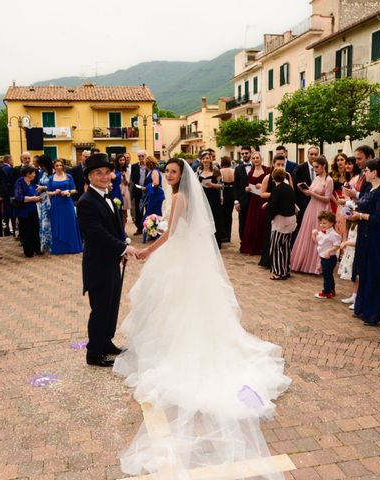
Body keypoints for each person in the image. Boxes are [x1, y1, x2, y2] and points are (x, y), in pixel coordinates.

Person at [113, 157, 290, 477]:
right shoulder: (181, 196)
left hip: (176, 257)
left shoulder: (180, 197)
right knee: (174, 307)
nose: (168, 176)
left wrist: (146, 249)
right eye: (166, 171)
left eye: (173, 172)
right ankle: (174, 345)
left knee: (176, 306)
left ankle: (176, 350)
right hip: (183, 257)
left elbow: (170, 235)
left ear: (183, 176)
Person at [77, 153, 138, 367]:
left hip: (112, 260)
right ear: (89, 177)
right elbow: (97, 233)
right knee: (100, 308)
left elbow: (115, 227)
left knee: (111, 305)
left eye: (106, 172)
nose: (104, 176)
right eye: (98, 173)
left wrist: (122, 246)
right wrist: (123, 247)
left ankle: (106, 342)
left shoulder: (109, 195)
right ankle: (94, 353)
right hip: (98, 264)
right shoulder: (86, 202)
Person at [350, 158, 380, 326]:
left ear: (375, 173)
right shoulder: (371, 189)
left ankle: (374, 314)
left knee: (375, 274)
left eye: (366, 170)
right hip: (365, 236)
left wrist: (360, 216)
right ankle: (363, 307)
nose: (364, 173)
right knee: (364, 272)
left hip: (376, 239)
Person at [290, 154, 333, 274]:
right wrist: (303, 190)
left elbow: (327, 199)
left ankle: (316, 265)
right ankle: (303, 262)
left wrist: (311, 194)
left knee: (318, 236)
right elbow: (310, 192)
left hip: (321, 209)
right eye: (314, 167)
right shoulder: (316, 178)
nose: (315, 169)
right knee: (307, 234)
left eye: (317, 167)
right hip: (311, 208)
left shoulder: (328, 180)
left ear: (324, 166)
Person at [259, 155, 292, 267]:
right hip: (273, 209)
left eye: (283, 165)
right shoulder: (268, 177)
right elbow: (262, 193)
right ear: (273, 164)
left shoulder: (288, 176)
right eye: (278, 164)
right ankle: (269, 260)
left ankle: (283, 262)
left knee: (284, 237)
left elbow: (291, 191)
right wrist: (276, 194)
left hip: (284, 210)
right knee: (270, 235)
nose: (281, 167)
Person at [267, 167, 296, 280]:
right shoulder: (289, 188)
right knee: (286, 247)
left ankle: (278, 272)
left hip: (281, 221)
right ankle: (286, 269)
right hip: (291, 219)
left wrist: (269, 216)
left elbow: (273, 206)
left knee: (275, 247)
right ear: (284, 176)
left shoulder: (277, 189)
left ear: (273, 177)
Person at [48, 159, 81, 255]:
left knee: (70, 223)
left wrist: (68, 192)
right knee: (58, 223)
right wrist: (54, 192)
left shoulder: (68, 176)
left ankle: (72, 247)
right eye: (57, 165)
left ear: (63, 166)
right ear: (54, 167)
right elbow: (48, 192)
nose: (58, 167)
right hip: (56, 203)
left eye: (60, 165)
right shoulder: (51, 178)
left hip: (67, 203)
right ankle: (59, 248)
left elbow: (74, 190)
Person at [239, 151, 268, 255]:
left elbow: (271, 184)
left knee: (262, 222)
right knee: (252, 223)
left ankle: (261, 247)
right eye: (254, 158)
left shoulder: (267, 170)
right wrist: (247, 188)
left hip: (263, 199)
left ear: (261, 159)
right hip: (253, 200)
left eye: (257, 158)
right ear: (252, 160)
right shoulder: (250, 172)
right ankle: (252, 246)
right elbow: (248, 185)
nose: (256, 160)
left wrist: (262, 185)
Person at [292, 146, 320, 245]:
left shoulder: (321, 168)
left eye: (316, 154)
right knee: (301, 226)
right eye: (311, 154)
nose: (313, 156)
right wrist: (296, 204)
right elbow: (294, 186)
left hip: (317, 203)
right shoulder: (300, 168)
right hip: (303, 203)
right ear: (307, 155)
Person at [13, 165, 42, 257]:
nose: (34, 175)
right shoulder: (20, 182)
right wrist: (33, 198)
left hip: (33, 209)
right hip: (23, 211)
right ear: (27, 174)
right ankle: (28, 251)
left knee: (35, 229)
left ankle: (37, 248)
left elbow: (35, 192)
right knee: (26, 231)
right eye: (33, 173)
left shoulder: (33, 182)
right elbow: (18, 197)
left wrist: (38, 195)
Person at [313, 211, 341, 298]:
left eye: (324, 223)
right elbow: (317, 243)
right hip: (323, 257)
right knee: (328, 275)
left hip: (330, 258)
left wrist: (329, 251)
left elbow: (337, 245)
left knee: (327, 276)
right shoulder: (321, 232)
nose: (322, 225)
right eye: (321, 223)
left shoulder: (333, 234)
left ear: (332, 223)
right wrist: (313, 235)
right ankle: (331, 290)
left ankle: (326, 292)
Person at [197, 151, 223, 248]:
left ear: (210, 159)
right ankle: (205, 242)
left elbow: (222, 185)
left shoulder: (216, 171)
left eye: (207, 158)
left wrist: (212, 185)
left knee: (215, 219)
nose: (205, 160)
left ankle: (216, 242)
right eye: (203, 158)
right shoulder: (199, 171)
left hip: (214, 199)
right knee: (204, 219)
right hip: (203, 199)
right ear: (201, 160)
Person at [233, 146, 253, 240]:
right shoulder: (238, 169)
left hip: (254, 199)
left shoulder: (256, 166)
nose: (244, 155)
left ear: (250, 153)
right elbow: (235, 186)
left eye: (246, 153)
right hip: (242, 200)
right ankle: (243, 242)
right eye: (243, 153)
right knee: (242, 222)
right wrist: (236, 201)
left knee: (253, 221)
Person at [35, 155, 53, 253]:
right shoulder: (42, 173)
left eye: (42, 165)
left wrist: (43, 188)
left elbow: (53, 186)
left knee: (50, 219)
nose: (41, 167)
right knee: (43, 220)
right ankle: (44, 243)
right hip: (42, 198)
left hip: (50, 198)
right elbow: (39, 183)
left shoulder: (53, 173)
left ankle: (51, 243)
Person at [141, 156, 165, 221]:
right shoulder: (152, 171)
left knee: (154, 214)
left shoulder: (154, 171)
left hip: (155, 195)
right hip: (152, 194)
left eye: (145, 163)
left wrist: (146, 187)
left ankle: (154, 229)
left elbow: (156, 183)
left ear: (149, 164)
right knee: (150, 214)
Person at [130, 150, 147, 234]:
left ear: (145, 156)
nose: (141, 158)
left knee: (148, 209)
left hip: (147, 191)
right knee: (138, 211)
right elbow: (133, 179)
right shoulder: (134, 166)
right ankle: (139, 228)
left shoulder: (149, 166)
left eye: (142, 156)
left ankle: (148, 228)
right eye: (139, 156)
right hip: (138, 191)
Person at [219, 156, 234, 243]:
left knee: (222, 214)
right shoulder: (233, 171)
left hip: (224, 191)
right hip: (231, 191)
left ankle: (223, 235)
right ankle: (228, 235)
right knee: (229, 214)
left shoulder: (220, 171)